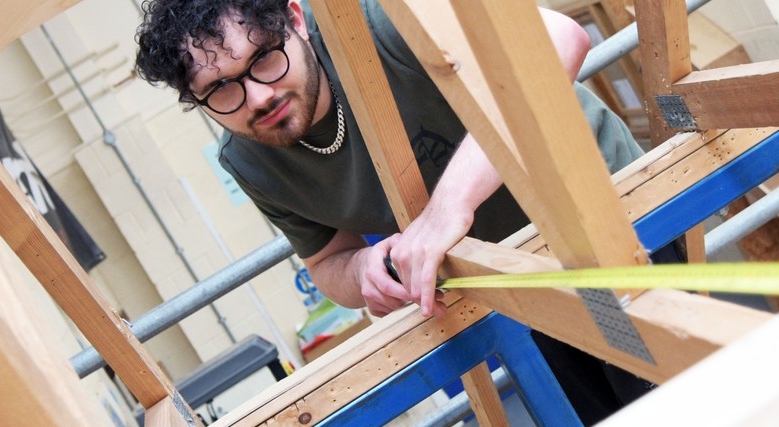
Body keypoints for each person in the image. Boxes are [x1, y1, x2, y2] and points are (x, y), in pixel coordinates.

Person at [135, 0, 653, 422]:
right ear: (197, 102)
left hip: (599, 228)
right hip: (512, 287)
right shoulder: (249, 160)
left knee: (668, 393)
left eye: (265, 58)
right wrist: (366, 274)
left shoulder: (374, 19)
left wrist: (449, 206)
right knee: (602, 414)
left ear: (295, 19)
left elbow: (560, 40)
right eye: (221, 90)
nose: (258, 96)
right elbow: (326, 262)